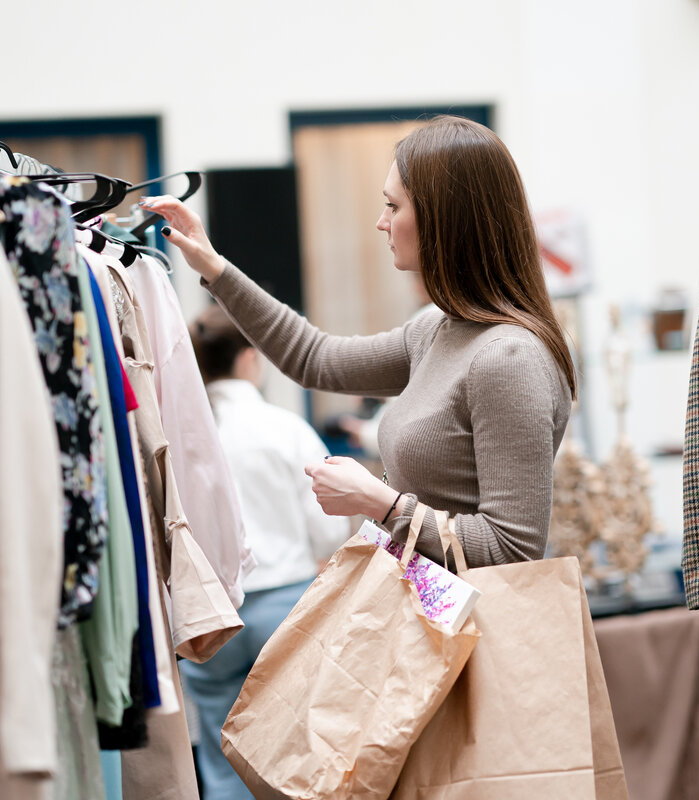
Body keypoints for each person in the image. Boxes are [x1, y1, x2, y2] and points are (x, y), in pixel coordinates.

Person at [141, 114, 575, 569]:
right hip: (433, 623)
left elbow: (513, 549)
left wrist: (380, 502)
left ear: (443, 220)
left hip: (476, 633)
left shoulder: (508, 358)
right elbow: (315, 358)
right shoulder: (436, 330)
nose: (381, 222)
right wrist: (215, 267)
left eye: (393, 206)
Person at [179, 303, 350, 800]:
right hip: (288, 604)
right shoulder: (285, 428)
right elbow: (328, 530)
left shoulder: (185, 432)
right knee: (300, 744)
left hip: (211, 612)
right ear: (250, 359)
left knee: (220, 745)